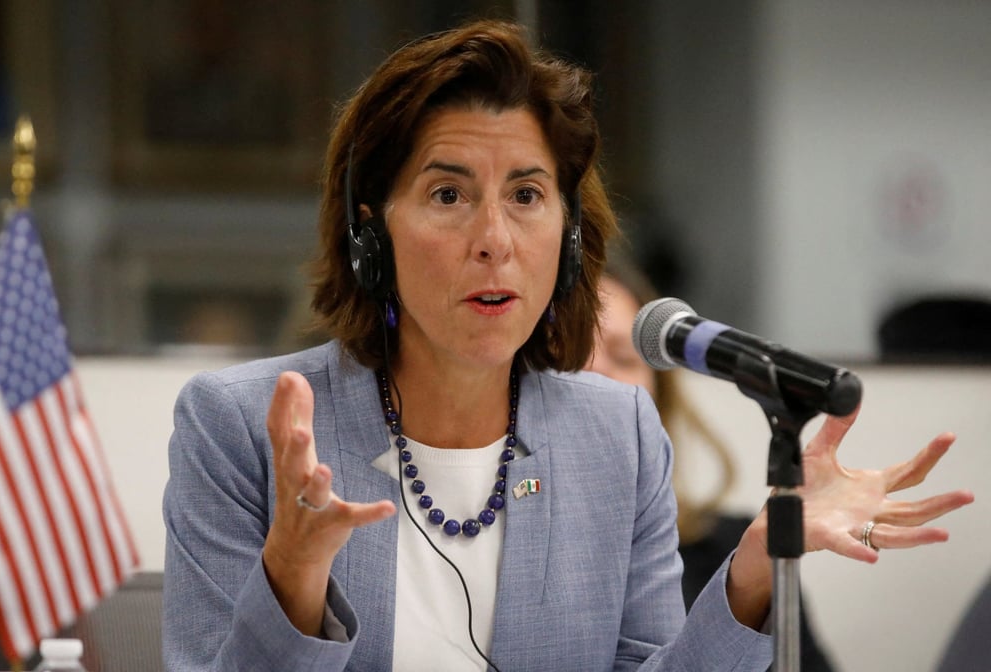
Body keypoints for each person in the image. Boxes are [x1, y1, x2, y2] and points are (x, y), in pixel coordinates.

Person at [161, 19, 974, 671]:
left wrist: (755, 568)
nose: (494, 238)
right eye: (448, 193)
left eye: (526, 195)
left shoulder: (615, 435)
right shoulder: (237, 427)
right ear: (371, 235)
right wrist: (294, 580)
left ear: (567, 232)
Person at [585, 247, 835, 671]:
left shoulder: (740, 550)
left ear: (659, 399)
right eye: (570, 357)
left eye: (624, 358)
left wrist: (753, 581)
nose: (600, 377)